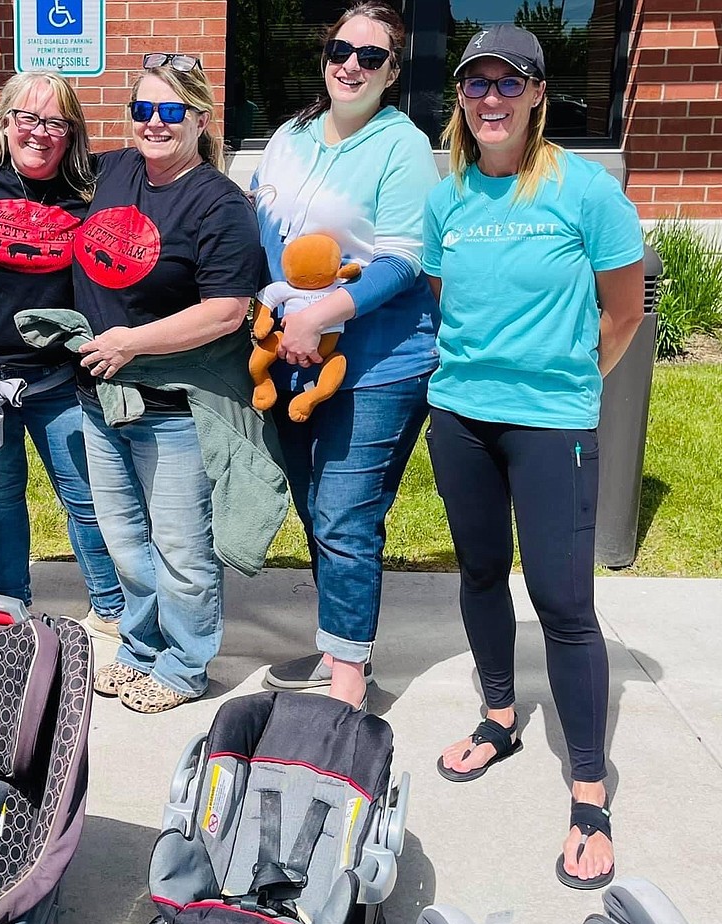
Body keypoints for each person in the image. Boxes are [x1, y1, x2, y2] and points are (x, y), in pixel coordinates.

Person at [423, 25, 644, 890]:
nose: (490, 100)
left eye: (507, 85)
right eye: (477, 85)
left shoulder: (585, 193)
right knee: (480, 573)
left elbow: (621, 312)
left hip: (553, 424)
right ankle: (499, 717)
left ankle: (589, 790)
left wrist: (567, 387)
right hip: (462, 419)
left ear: (538, 95)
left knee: (563, 600)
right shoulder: (449, 199)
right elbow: (450, 301)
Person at [254, 2, 440, 709]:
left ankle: (348, 688)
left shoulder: (402, 146)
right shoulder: (289, 136)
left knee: (342, 513)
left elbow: (405, 261)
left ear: (392, 71)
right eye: (341, 49)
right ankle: (340, 642)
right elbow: (262, 231)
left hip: (381, 364)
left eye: (371, 56)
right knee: (315, 508)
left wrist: (324, 313)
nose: (351, 65)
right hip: (293, 361)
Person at [73, 54, 266, 713]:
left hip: (172, 407)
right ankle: (139, 647)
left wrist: (131, 342)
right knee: (125, 539)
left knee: (181, 546)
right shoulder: (112, 170)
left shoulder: (218, 203)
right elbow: (27, 163)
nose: (154, 123)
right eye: (143, 109)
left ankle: (185, 664)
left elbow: (225, 310)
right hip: (100, 398)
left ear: (200, 119)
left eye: (170, 111)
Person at [0, 71, 125, 640]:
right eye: (26, 117)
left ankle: (111, 610)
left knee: (87, 498)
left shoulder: (93, 185)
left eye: (55, 122)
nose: (40, 133)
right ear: (4, 120)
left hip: (60, 381)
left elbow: (157, 160)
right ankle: (10, 607)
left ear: (72, 133)